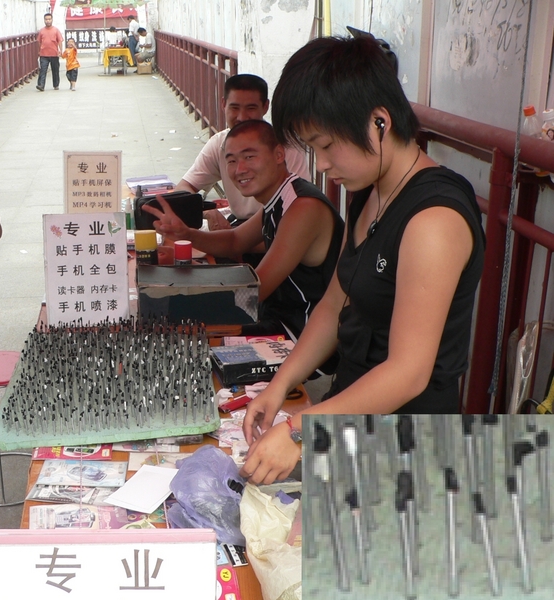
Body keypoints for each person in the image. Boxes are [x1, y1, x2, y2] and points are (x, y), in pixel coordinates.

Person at [241, 36, 485, 484]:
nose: (322, 164)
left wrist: (298, 431)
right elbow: (334, 306)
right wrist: (279, 386)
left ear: (379, 121)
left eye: (328, 145)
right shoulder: (370, 192)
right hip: (350, 422)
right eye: (312, 148)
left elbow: (409, 373)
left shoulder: (434, 219)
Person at [143, 120, 343, 352]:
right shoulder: (280, 197)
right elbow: (234, 240)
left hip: (305, 334)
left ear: (279, 154)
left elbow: (254, 291)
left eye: (249, 157)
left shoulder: (302, 207)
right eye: (231, 160)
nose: (239, 169)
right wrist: (186, 234)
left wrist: (168, 302)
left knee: (183, 341)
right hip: (274, 315)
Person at [175, 74, 311, 230]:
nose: (241, 117)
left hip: (278, 229)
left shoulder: (288, 147)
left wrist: (230, 240)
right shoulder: (218, 143)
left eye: (251, 108)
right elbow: (183, 189)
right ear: (223, 104)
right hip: (243, 230)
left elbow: (298, 212)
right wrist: (204, 211)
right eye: (234, 108)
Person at [36, 12, 63, 91]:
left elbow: (60, 41)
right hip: (43, 54)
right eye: (46, 19)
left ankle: (56, 84)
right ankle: (41, 85)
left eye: (49, 19)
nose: (48, 21)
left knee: (55, 70)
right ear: (44, 20)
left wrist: (60, 51)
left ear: (52, 20)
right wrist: (39, 50)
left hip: (54, 54)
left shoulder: (56, 30)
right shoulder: (41, 31)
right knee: (43, 70)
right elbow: (39, 41)